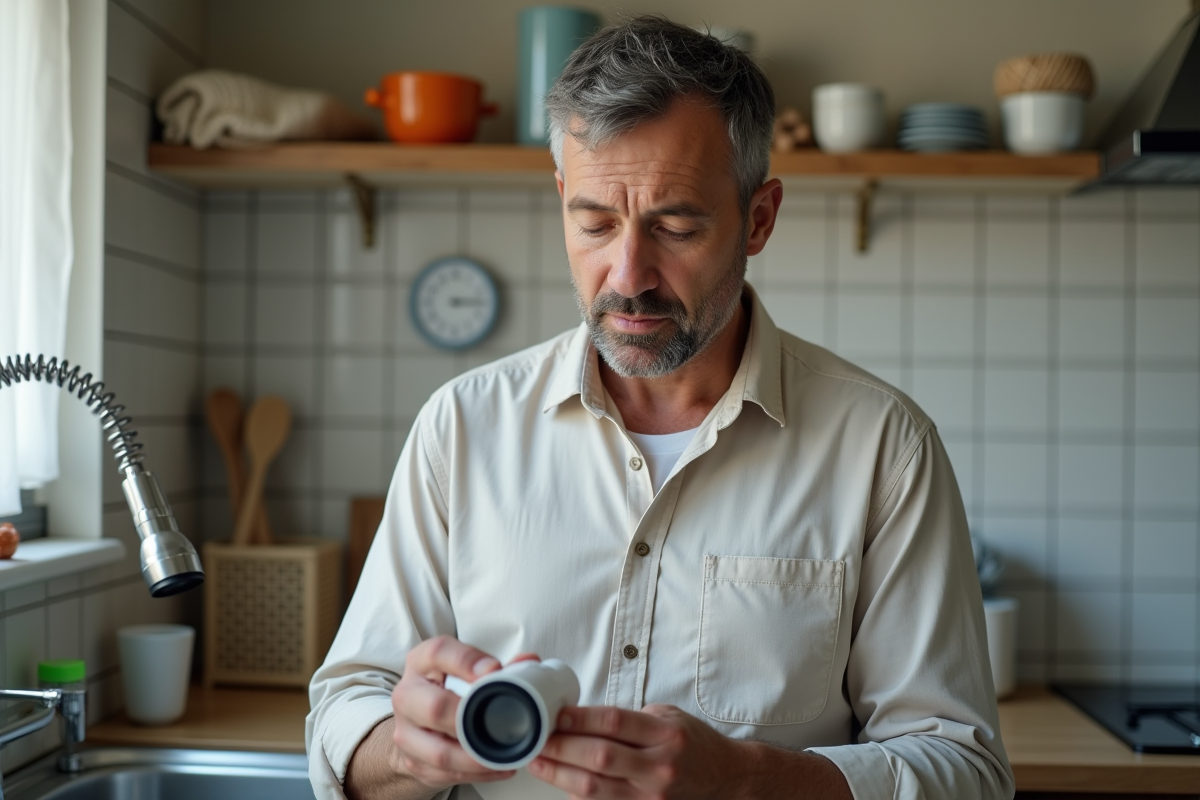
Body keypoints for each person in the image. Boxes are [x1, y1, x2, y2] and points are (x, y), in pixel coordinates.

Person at [307, 15, 1015, 800]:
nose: (630, 274)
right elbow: (345, 711)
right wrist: (411, 749)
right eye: (595, 223)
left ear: (759, 218)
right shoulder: (462, 426)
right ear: (561, 202)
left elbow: (966, 772)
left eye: (676, 226)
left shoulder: (884, 446)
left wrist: (747, 781)